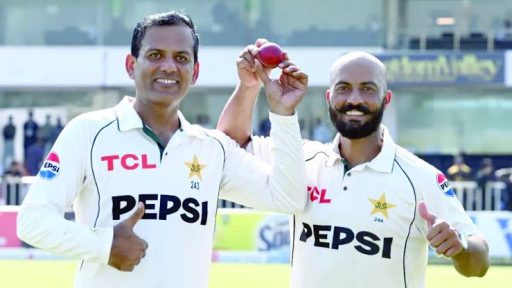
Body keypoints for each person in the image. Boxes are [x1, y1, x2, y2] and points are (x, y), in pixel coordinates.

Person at [17, 11, 308, 288]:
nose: (169, 66)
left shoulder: (212, 148)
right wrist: (104, 245)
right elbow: (32, 222)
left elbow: (288, 198)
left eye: (181, 58)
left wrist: (282, 113)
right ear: (131, 65)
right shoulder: (89, 131)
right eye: (155, 55)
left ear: (194, 72)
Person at [218, 48, 490, 287]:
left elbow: (479, 263)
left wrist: (461, 248)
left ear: (387, 99)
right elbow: (228, 148)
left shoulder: (421, 177)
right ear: (329, 96)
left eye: (368, 89)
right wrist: (249, 85)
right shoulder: (300, 158)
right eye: (343, 88)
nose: (355, 99)